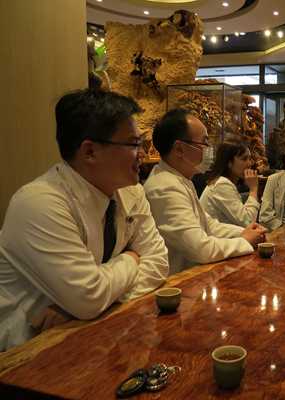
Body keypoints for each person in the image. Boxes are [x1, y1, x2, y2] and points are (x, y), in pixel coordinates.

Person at [0, 89, 169, 351]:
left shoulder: (131, 191)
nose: (144, 154)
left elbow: (158, 263)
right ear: (89, 151)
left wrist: (83, 309)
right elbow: (90, 296)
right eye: (134, 144)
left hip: (88, 337)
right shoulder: (40, 203)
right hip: (24, 351)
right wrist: (131, 258)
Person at [144, 109, 266, 274]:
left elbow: (208, 225)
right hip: (178, 280)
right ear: (179, 149)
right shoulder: (164, 187)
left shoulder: (180, 179)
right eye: (204, 143)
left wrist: (244, 233)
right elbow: (200, 248)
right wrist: (244, 240)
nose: (208, 149)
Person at [199, 140, 260, 227]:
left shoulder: (224, 182)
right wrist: (253, 189)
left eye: (249, 159)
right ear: (229, 163)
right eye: (244, 159)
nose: (249, 164)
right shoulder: (221, 184)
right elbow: (248, 222)